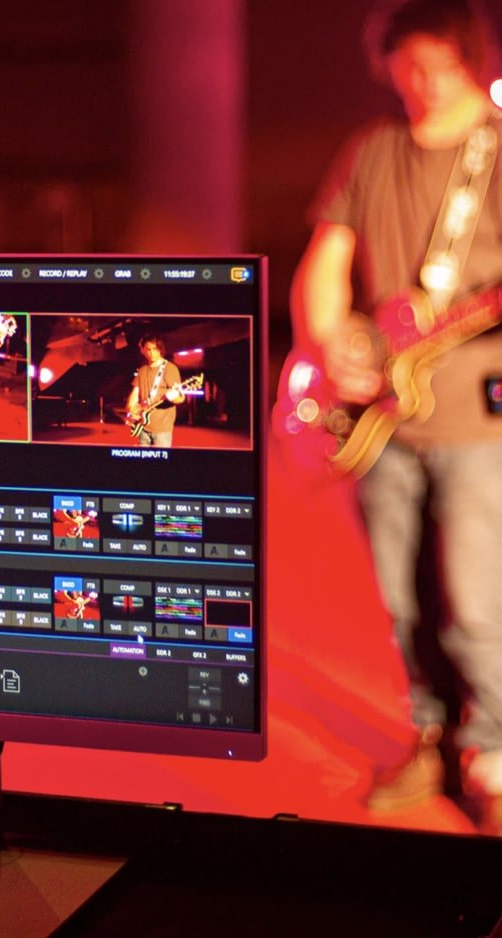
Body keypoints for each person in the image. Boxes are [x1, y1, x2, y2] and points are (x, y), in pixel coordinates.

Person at [292, 0, 502, 833]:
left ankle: (491, 754)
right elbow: (325, 262)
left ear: (469, 59)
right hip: (382, 419)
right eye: (408, 65)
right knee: (397, 604)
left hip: (481, 420)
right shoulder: (370, 150)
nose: (424, 81)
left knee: (477, 602)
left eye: (440, 64)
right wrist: (332, 342)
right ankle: (426, 736)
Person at [125, 336, 187, 448]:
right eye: (148, 349)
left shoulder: (170, 369)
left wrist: (174, 397)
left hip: (162, 428)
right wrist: (131, 408)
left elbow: (180, 399)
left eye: (155, 349)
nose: (151, 353)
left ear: (160, 349)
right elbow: (135, 392)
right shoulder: (142, 370)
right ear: (142, 350)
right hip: (142, 425)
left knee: (160, 458)